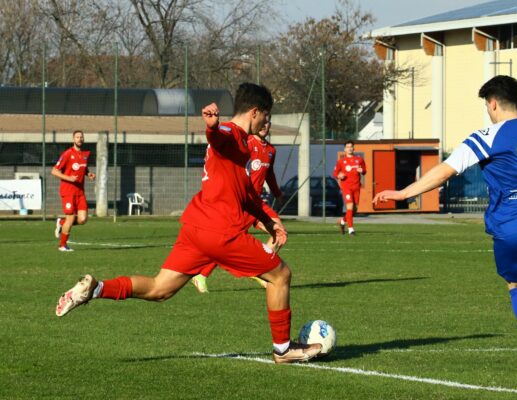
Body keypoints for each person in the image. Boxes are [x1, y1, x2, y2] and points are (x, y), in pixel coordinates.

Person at [55, 83, 322, 364]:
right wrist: (211, 127)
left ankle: (95, 289)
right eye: (266, 116)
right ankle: (283, 349)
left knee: (160, 289)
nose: (268, 122)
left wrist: (270, 221)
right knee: (280, 276)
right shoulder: (232, 134)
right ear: (255, 112)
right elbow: (219, 138)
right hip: (221, 231)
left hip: (196, 228)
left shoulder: (242, 145)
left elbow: (245, 193)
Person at [373, 75, 517, 372]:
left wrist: (405, 192)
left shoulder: (486, 137)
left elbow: (445, 171)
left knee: (516, 285)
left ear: (493, 103)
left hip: (510, 228)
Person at [190, 115, 284, 294]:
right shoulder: (246, 142)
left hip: (257, 202)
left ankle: (258, 268)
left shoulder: (271, 150)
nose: (265, 125)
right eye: (262, 122)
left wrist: (277, 193)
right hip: (242, 200)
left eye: (268, 122)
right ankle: (202, 274)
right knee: (229, 241)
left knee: (279, 233)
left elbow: (269, 174)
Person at [51, 130, 96, 252]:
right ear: (73, 139)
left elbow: (83, 167)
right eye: (77, 137)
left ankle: (61, 222)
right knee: (70, 218)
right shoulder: (67, 154)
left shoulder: (85, 154)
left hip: (80, 192)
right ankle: (62, 245)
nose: (80, 139)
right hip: (68, 191)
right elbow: (54, 171)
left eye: (81, 137)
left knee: (82, 219)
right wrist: (69, 178)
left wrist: (89, 173)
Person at [333, 140, 366, 235]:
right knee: (350, 207)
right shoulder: (341, 161)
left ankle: (343, 221)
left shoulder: (359, 159)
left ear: (353, 148)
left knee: (354, 210)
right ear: (345, 149)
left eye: (351, 146)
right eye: (348, 147)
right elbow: (335, 173)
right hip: (346, 187)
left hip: (356, 187)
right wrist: (339, 176)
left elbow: (364, 170)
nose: (349, 148)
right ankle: (351, 229)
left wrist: (362, 170)